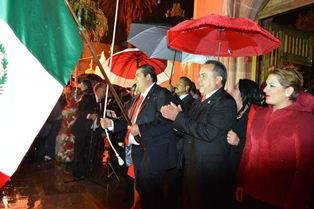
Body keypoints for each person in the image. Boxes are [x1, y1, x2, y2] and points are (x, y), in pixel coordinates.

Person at [100, 64, 179, 209]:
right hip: (138, 151)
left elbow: (166, 122)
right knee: (142, 189)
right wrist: (110, 123)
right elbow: (126, 120)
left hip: (154, 151)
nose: (135, 79)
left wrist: (141, 129)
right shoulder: (136, 98)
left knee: (153, 193)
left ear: (148, 77)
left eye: (138, 76)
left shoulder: (161, 94)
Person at [160, 60, 237, 208]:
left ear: (218, 79)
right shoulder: (199, 101)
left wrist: (179, 118)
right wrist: (177, 120)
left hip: (207, 171)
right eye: (199, 76)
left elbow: (209, 132)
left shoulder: (225, 102)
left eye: (203, 76)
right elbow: (190, 128)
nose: (198, 80)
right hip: (191, 166)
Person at [236, 66, 314, 209]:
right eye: (266, 84)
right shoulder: (259, 114)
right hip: (250, 193)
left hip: (279, 200)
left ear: (288, 91)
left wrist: (293, 204)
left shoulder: (304, 120)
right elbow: (248, 151)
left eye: (271, 85)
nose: (265, 89)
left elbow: (305, 169)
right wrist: (240, 182)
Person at [226, 79, 265, 205]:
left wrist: (239, 142)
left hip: (241, 170)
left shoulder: (256, 115)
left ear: (245, 93)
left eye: (236, 88)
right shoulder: (232, 112)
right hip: (227, 168)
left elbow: (259, 147)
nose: (232, 90)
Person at [71, 82, 107, 180]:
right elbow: (80, 111)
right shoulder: (87, 97)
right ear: (98, 90)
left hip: (93, 131)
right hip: (82, 129)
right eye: (104, 90)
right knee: (79, 151)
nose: (105, 93)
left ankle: (86, 172)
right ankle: (77, 173)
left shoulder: (103, 102)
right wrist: (89, 116)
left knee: (88, 152)